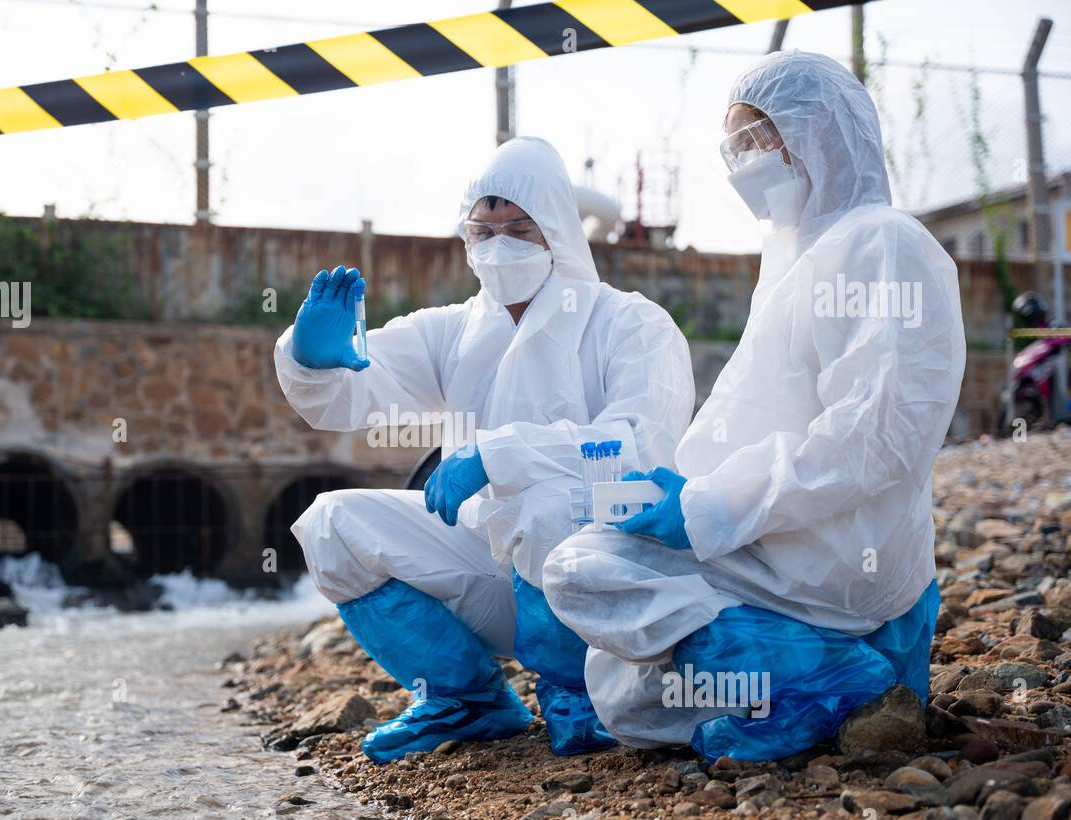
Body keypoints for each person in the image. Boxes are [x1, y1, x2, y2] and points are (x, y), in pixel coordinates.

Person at [541, 51, 966, 761]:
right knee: (625, 698)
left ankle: (828, 674)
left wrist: (708, 507)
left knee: (579, 570)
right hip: (775, 531)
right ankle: (830, 682)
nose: (740, 165)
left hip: (831, 547)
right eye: (732, 146)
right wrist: (682, 493)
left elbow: (878, 437)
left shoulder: (882, 242)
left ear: (817, 131)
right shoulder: (799, 255)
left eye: (753, 140)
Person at [274, 136, 695, 763]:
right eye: (484, 228)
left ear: (556, 228)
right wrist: (311, 357)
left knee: (546, 504)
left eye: (519, 228)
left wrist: (498, 455)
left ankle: (580, 692)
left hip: (604, 582)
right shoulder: (455, 331)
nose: (499, 245)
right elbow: (350, 396)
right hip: (497, 574)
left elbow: (636, 444)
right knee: (333, 524)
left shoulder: (629, 323)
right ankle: (466, 700)